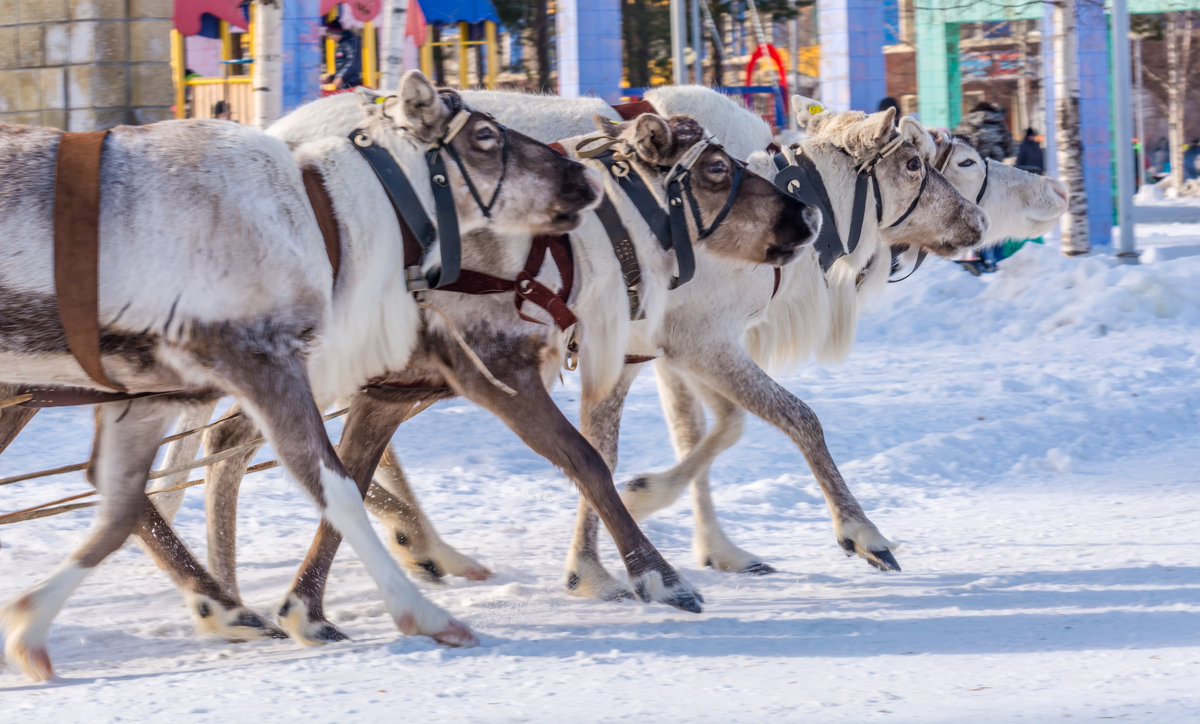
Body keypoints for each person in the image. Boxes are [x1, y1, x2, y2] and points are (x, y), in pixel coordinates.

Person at [323, 18, 362, 89]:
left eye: (330, 34)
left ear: (337, 33)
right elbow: (343, 67)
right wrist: (331, 78)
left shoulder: (348, 43)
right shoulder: (343, 44)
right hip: (346, 83)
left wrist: (340, 77)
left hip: (351, 84)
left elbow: (352, 63)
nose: (330, 38)